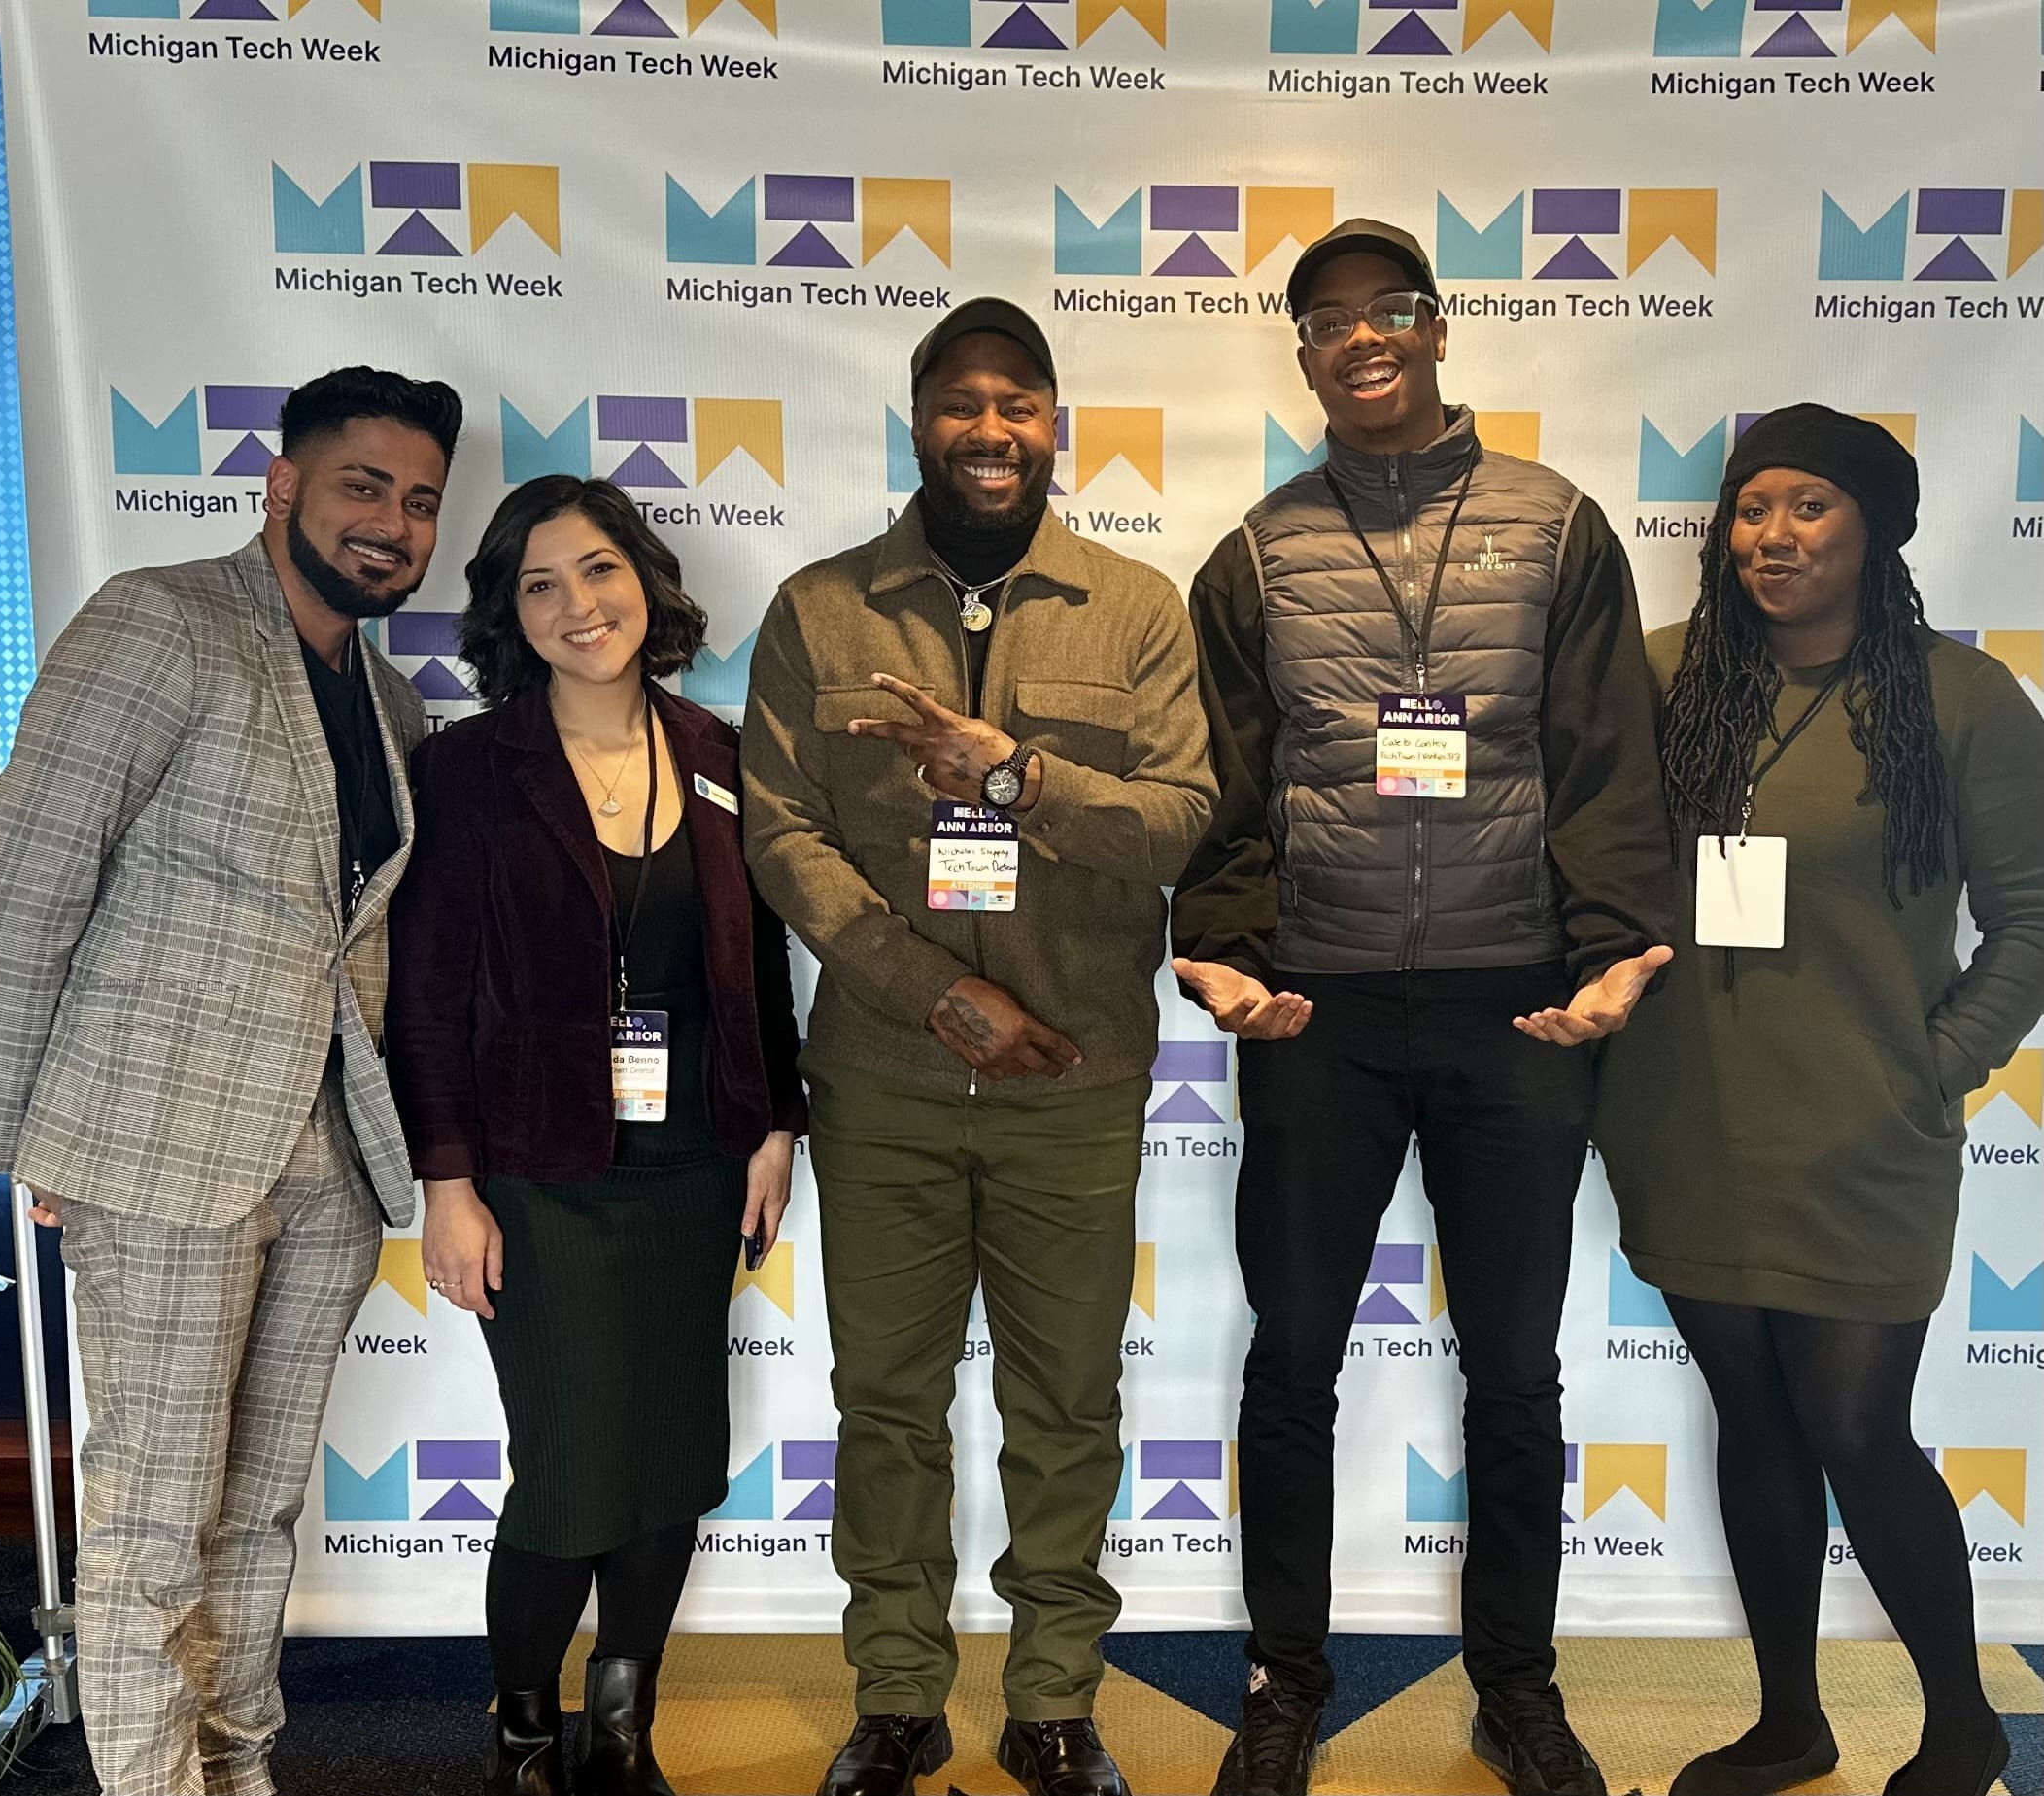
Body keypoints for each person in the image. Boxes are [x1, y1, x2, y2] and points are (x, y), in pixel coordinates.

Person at [1170, 220, 1677, 1796]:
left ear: (1440, 330)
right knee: (1293, 1361)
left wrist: (1613, 948)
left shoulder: (1557, 524)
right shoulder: (1256, 550)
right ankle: (1284, 1681)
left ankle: (1516, 1686)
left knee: (1517, 1367)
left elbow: (1601, 756)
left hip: (1513, 1011)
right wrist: (1222, 941)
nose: (1360, 337)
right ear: (1304, 353)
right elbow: (1229, 783)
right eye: (1326, 320)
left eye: (1388, 310)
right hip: (1315, 1014)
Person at [741, 298, 1215, 1796]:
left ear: (1055, 424)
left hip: (1074, 1079)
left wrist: (1014, 772)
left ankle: (1056, 1697)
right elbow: (781, 833)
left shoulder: (1137, 610)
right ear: (919, 420)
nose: (992, 429)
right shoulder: (819, 611)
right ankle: (895, 1697)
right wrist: (924, 987)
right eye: (962, 402)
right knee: (885, 1397)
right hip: (884, 1077)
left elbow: (1180, 822)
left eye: (1020, 403)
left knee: (1064, 1397)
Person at [0, 366, 461, 1796]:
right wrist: (16, 1137)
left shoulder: (391, 701)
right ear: (283, 485)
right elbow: (24, 874)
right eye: (363, 484)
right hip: (157, 1147)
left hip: (330, 1152)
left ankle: (237, 1765)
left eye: (419, 500)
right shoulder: (157, 620)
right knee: (151, 1520)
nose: (391, 522)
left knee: (255, 1514)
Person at [1592, 406, 2044, 1796]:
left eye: (1809, 509)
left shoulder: (1961, 699)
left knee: (1856, 1425)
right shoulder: (1661, 679)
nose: (1770, 538)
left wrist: (1939, 1060)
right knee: (1756, 1413)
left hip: (1865, 1134)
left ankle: (1963, 1718)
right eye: (1749, 510)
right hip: (1686, 1122)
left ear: (1875, 530)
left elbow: (2030, 921)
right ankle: (1791, 1718)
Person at [386, 475, 806, 1796]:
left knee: (673, 1457)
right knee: (570, 1470)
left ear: (647, 580)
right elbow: (430, 991)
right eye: (541, 584)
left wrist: (776, 1123)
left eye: (600, 570)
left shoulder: (724, 755)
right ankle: (523, 1731)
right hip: (536, 1173)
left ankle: (620, 1726)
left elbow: (760, 959)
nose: (580, 605)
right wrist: (447, 1183)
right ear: (511, 614)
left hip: (695, 1165)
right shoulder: (467, 767)